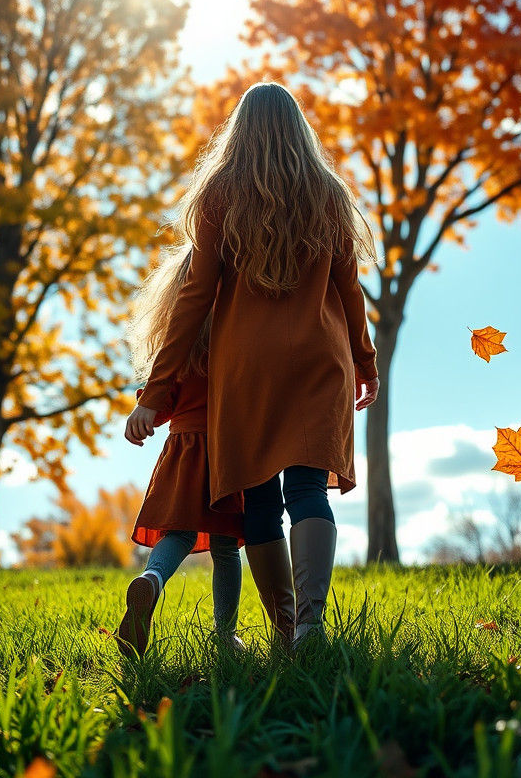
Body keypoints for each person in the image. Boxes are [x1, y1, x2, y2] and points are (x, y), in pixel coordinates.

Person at [125, 81, 379, 651]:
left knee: (262, 498)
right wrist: (365, 360)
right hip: (321, 359)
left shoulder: (221, 194)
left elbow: (192, 298)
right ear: (299, 130)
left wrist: (154, 391)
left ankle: (285, 630)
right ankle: (311, 624)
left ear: (237, 131)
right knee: (309, 488)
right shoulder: (327, 194)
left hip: (247, 371)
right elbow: (350, 289)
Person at [117, 247, 246, 659]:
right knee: (226, 545)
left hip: (182, 451)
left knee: (179, 532)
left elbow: (161, 403)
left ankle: (152, 578)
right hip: (227, 453)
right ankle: (225, 634)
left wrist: (143, 414)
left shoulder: (180, 349)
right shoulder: (237, 343)